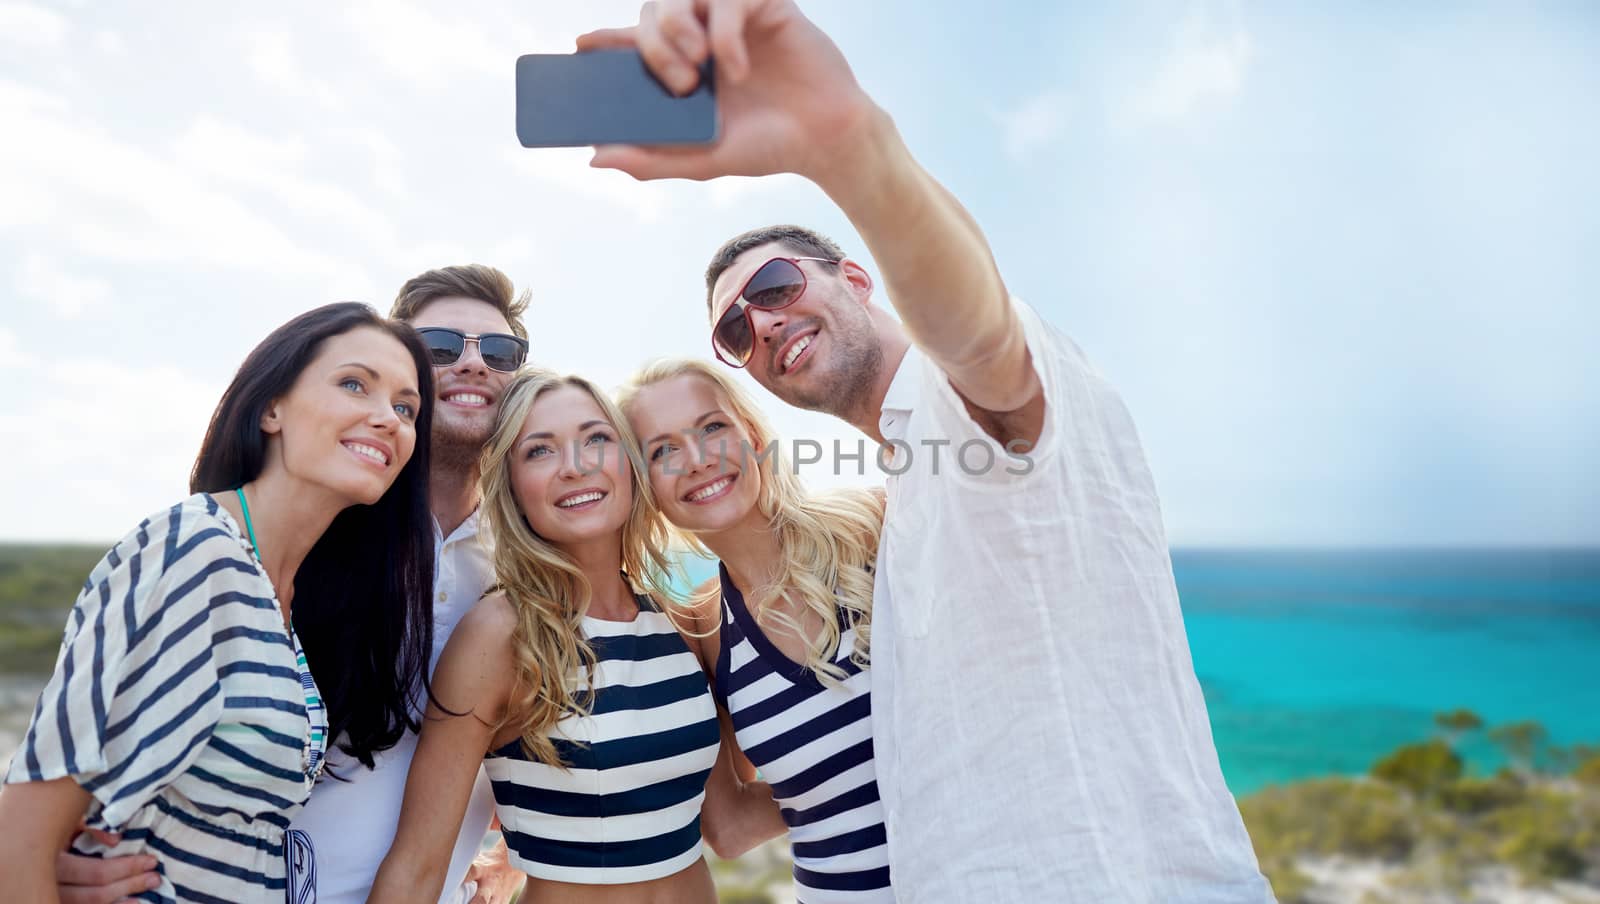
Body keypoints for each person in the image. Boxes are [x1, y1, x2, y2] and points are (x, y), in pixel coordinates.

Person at [580, 2, 1277, 900]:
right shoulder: (909, 493)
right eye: (737, 331)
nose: (765, 322)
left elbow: (981, 338)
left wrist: (848, 148)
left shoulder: (963, 406)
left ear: (858, 279)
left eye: (780, 285)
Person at [52, 266, 533, 904]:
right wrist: (66, 845)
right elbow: (90, 735)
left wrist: (513, 848)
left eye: (499, 352)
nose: (474, 364)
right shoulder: (305, 528)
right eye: (440, 348)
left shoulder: (528, 569)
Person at [1, 302, 438, 903]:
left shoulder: (282, 598)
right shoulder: (197, 550)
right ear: (271, 408)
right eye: (354, 384)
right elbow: (20, 831)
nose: (386, 418)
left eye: (405, 408)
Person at [367, 370, 725, 904]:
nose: (575, 467)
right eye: (540, 451)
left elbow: (735, 821)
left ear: (629, 459)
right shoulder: (498, 635)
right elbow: (417, 866)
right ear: (511, 486)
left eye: (596, 439)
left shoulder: (683, 622)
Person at [620, 357, 892, 902]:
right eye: (664, 450)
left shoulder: (876, 526)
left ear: (753, 433)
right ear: (643, 483)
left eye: (713, 428)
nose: (697, 460)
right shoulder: (697, 629)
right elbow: (732, 826)